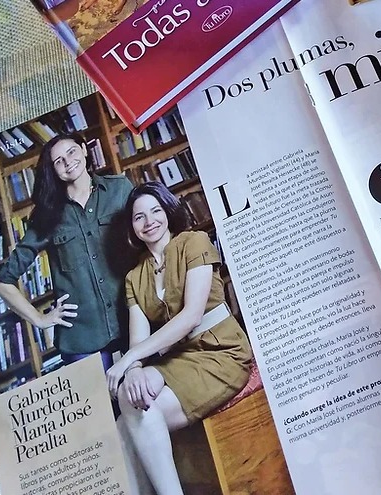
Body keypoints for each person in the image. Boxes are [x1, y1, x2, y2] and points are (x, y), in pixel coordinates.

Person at [106, 181, 252, 495]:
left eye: (156, 211)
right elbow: (138, 340)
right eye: (139, 217)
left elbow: (192, 316)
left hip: (220, 352)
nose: (149, 221)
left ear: (168, 212)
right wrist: (133, 370)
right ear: (132, 227)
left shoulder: (194, 242)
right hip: (180, 360)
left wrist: (129, 361)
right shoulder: (134, 277)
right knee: (128, 404)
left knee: (134, 418)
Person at [0, 133, 133, 368]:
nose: (68, 162)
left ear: (84, 150)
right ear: (54, 170)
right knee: (97, 394)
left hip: (133, 319)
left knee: (146, 389)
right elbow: (3, 282)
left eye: (71, 152)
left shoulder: (119, 189)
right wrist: (39, 319)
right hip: (81, 338)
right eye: (59, 161)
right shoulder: (46, 214)